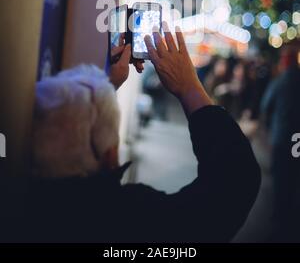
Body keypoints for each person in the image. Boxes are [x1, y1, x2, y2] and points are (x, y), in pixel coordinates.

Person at [3, 24, 261, 243]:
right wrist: (189, 87)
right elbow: (233, 185)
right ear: (110, 155)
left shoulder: (16, 209)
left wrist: (104, 88)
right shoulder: (128, 219)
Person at [260, 44, 300, 242]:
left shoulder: (279, 81)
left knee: (280, 176)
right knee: (294, 174)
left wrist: (267, 129)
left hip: (281, 137)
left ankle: (280, 214)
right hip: (297, 139)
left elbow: (266, 105)